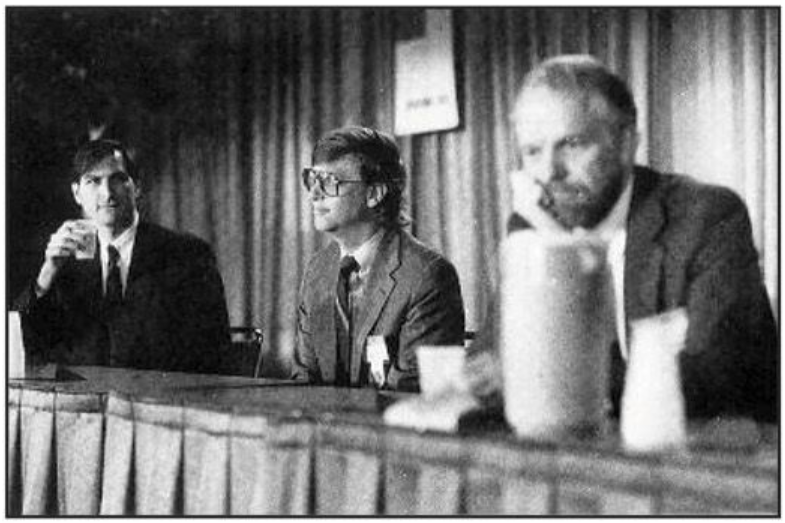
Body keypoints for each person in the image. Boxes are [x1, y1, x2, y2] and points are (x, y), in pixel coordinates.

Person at [467, 55, 778, 422]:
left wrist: (541, 377)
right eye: (533, 151)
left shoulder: (705, 217)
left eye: (571, 144)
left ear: (626, 143)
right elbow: (488, 363)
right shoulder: (532, 232)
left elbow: (710, 378)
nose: (549, 171)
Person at [15, 139, 231, 374]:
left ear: (136, 187)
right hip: (84, 405)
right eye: (93, 181)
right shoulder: (63, 260)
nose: (107, 193)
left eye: (118, 179)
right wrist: (46, 275)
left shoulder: (187, 254)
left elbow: (214, 352)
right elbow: (19, 344)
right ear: (76, 193)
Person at [292, 126, 465, 392]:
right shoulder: (317, 270)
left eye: (329, 182)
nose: (314, 194)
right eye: (312, 179)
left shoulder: (427, 276)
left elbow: (407, 395)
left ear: (374, 194)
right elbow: (303, 381)